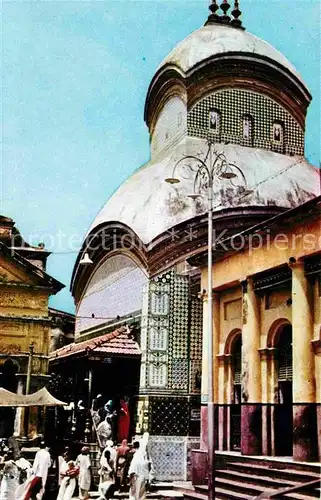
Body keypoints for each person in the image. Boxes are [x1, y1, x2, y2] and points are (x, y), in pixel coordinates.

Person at [128, 434, 154, 500]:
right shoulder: (144, 460)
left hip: (136, 478)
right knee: (140, 495)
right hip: (142, 478)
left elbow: (132, 470)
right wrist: (148, 479)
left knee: (134, 493)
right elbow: (148, 470)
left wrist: (130, 478)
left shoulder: (136, 457)